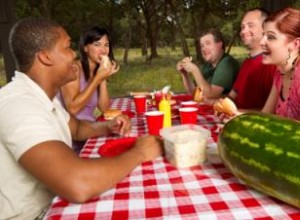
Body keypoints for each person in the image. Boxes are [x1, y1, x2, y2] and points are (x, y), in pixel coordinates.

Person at [0, 17, 162, 220]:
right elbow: (78, 183)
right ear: (45, 57)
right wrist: (140, 152)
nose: (74, 54)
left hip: (55, 202)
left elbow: (75, 128)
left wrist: (107, 126)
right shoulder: (19, 104)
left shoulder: (41, 96)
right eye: (67, 47)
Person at [59, 26, 119, 122]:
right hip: (72, 129)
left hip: (89, 124)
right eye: (97, 45)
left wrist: (103, 77)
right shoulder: (73, 69)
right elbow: (72, 109)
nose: (103, 50)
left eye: (106, 45)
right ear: (85, 48)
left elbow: (103, 109)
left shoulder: (97, 71)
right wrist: (98, 79)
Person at [226, 8, 277, 110]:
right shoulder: (246, 63)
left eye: (250, 25)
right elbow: (231, 97)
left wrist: (236, 113)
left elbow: (274, 112)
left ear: (266, 28)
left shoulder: (274, 65)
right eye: (242, 27)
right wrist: (214, 102)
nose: (243, 31)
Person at [176, 29, 240, 99]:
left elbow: (211, 94)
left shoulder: (227, 63)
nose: (204, 48)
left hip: (230, 108)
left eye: (208, 43)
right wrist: (184, 74)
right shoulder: (207, 66)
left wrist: (195, 70)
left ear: (220, 45)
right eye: (202, 46)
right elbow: (194, 92)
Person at [261, 7, 300, 120]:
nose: (261, 42)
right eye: (263, 35)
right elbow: (264, 116)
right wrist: (235, 116)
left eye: (271, 37)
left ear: (295, 44)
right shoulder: (280, 73)